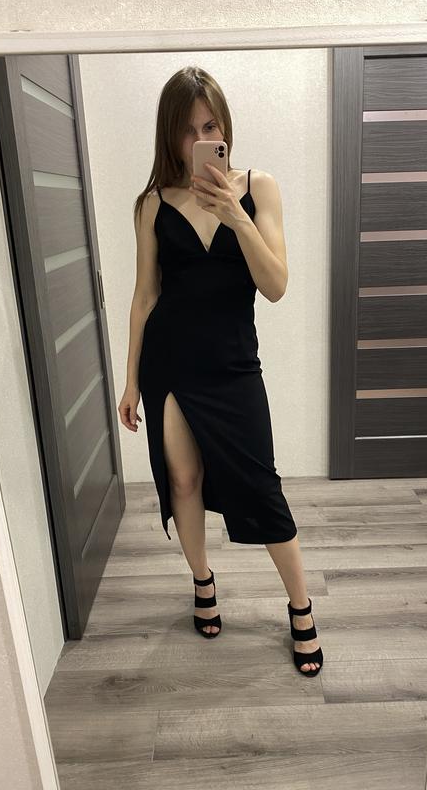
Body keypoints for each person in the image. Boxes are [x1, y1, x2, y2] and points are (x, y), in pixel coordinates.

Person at [117, 66, 322, 676]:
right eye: (188, 130)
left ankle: (301, 606)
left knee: (261, 486)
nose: (202, 139)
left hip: (233, 366)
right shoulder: (152, 204)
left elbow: (276, 285)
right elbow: (144, 295)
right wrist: (131, 379)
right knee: (183, 481)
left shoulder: (259, 189)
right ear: (170, 136)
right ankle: (202, 580)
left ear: (225, 127)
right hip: (171, 365)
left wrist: (237, 215)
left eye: (211, 126)